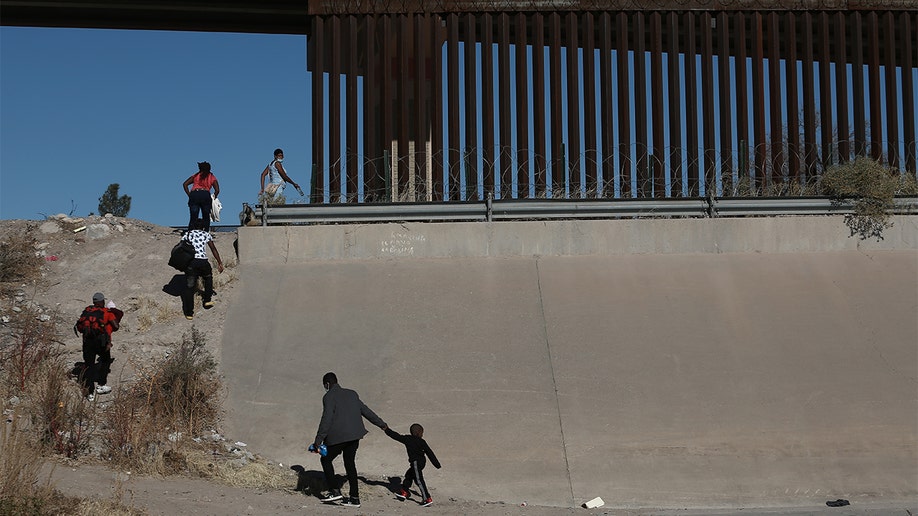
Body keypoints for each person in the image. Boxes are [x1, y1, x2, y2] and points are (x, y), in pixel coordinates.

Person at [311, 372, 387, 508]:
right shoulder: (352, 393)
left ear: (327, 384)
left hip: (339, 437)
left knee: (325, 459)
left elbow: (326, 419)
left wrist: (318, 440)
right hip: (354, 436)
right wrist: (381, 424)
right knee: (350, 464)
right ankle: (354, 498)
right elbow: (365, 410)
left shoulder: (328, 397)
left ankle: (334, 491)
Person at [73, 292, 122, 401]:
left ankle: (90, 393)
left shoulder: (87, 311)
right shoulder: (106, 312)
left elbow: (80, 327)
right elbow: (116, 326)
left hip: (87, 342)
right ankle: (101, 384)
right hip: (101, 342)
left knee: (89, 366)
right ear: (102, 301)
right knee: (105, 360)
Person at [386, 423, 441, 507]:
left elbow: (396, 436)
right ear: (418, 432)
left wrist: (387, 430)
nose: (422, 435)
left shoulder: (407, 439)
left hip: (416, 462)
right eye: (422, 433)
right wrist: (436, 464)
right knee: (409, 475)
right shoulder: (422, 441)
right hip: (421, 462)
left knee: (419, 480)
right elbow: (430, 453)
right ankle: (404, 491)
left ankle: (427, 498)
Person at [180, 217, 224, 320]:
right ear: (203, 227)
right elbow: (213, 249)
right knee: (208, 278)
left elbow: (181, 247)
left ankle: (189, 313)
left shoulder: (188, 234)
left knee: (190, 287)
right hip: (203, 262)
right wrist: (219, 262)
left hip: (191, 263)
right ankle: (207, 300)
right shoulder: (206, 234)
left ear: (193, 226)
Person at [183, 161, 220, 232]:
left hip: (194, 194)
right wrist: (214, 197)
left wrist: (189, 195)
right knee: (206, 216)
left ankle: (191, 231)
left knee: (193, 216)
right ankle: (206, 231)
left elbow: (185, 184)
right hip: (205, 194)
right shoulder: (211, 176)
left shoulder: (196, 175)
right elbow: (217, 190)